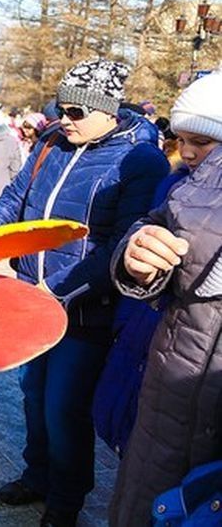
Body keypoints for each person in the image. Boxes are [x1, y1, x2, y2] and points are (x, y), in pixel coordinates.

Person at [0, 59, 169, 527]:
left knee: (64, 406)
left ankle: (66, 499)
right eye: (61, 108)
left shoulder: (138, 160)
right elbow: (13, 201)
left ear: (108, 111)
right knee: (33, 394)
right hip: (32, 300)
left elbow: (121, 246)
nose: (66, 118)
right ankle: (36, 474)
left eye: (78, 111)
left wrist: (61, 292)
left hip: (84, 312)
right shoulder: (50, 144)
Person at [108, 71, 222, 526]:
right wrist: (135, 253)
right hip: (172, 391)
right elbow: (153, 224)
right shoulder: (186, 185)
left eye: (202, 141)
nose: (186, 152)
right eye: (179, 139)